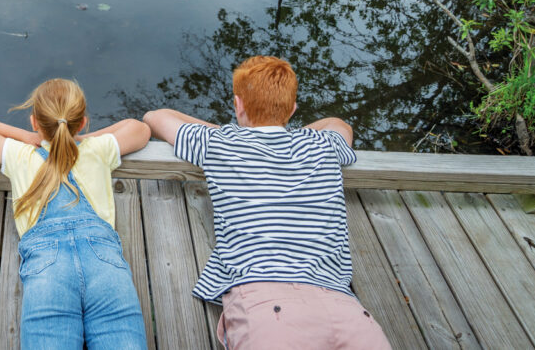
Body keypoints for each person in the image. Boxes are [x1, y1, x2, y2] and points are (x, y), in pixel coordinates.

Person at [143, 56, 390, 350]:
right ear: (293, 108)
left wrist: (228, 131)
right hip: (343, 307)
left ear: (238, 104)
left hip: (266, 303)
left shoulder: (220, 143)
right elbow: (339, 125)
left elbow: (155, 117)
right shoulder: (323, 144)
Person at [0, 78, 150, 350]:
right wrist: (77, 138)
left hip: (47, 268)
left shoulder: (20, 154)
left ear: (34, 121)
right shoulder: (98, 150)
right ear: (83, 122)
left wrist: (29, 137)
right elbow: (139, 128)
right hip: (104, 262)